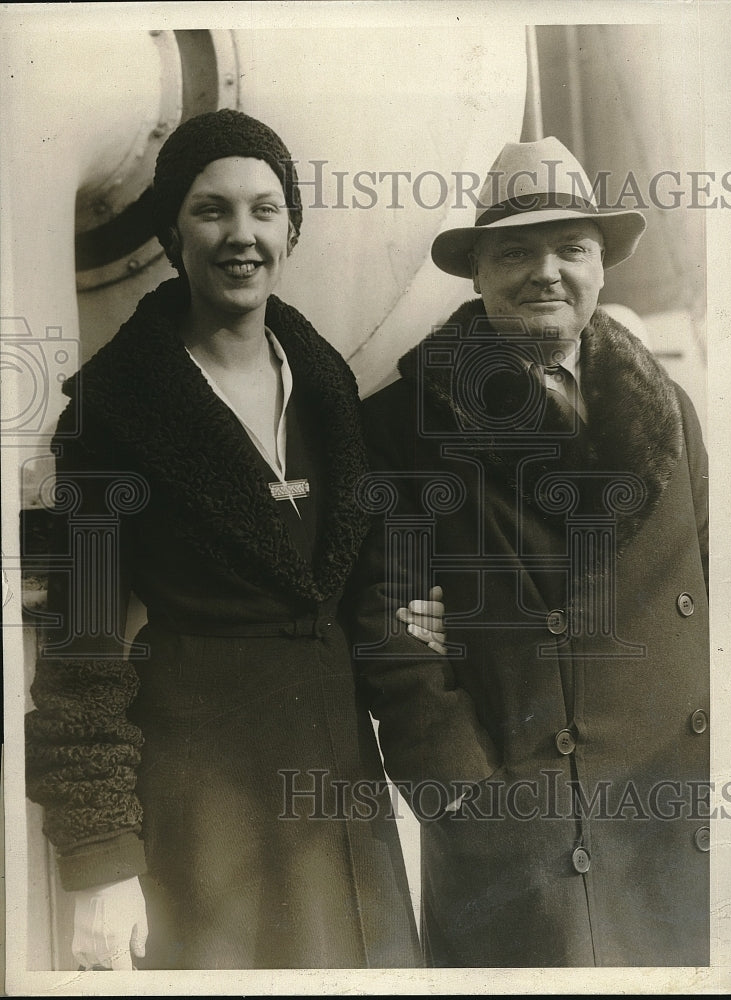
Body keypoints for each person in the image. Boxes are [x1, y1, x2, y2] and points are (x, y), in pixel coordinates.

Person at [24, 108, 437, 970]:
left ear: (292, 225)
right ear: (173, 229)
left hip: (341, 792)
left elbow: (373, 599)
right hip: (203, 810)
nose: (240, 235)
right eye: (212, 209)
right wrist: (101, 862)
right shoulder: (115, 414)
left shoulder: (328, 394)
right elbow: (81, 649)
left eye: (264, 208)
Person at [351, 136, 709, 967]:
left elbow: (707, 587)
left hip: (665, 817)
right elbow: (391, 641)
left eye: (571, 248)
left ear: (602, 268)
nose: (546, 271)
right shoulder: (403, 425)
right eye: (516, 250)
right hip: (517, 842)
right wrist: (471, 802)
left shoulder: (671, 412)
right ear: (476, 272)